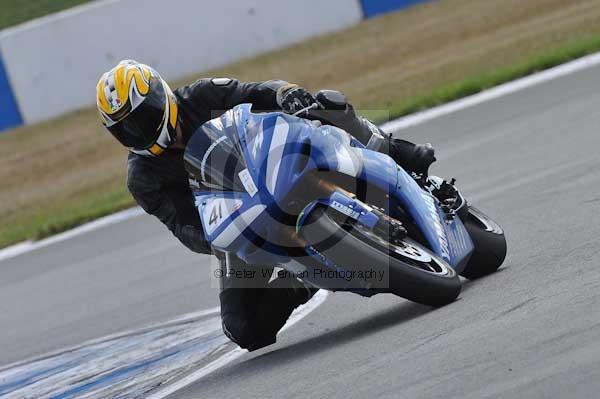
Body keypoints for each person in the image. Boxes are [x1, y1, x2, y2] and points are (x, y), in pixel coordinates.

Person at [96, 60, 436, 351]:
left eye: (142, 118)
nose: (137, 132)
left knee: (322, 105)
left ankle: (399, 152)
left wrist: (284, 93)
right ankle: (304, 279)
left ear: (161, 97)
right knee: (242, 328)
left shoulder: (201, 95)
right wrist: (219, 237)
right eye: (125, 130)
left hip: (276, 162)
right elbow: (184, 227)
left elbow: (254, 92)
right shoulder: (143, 178)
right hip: (240, 220)